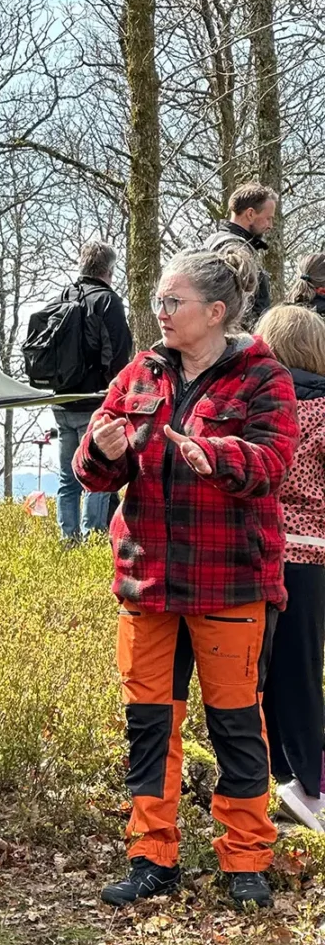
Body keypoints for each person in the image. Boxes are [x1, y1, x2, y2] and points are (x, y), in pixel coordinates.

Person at [73, 246, 298, 909]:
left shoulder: (263, 376)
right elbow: (93, 472)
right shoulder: (139, 373)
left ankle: (246, 861)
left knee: (236, 725)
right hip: (147, 584)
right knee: (148, 725)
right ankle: (151, 857)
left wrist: (215, 454)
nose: (161, 312)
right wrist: (100, 452)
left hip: (231, 583)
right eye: (158, 301)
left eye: (174, 302)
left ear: (217, 311)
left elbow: (274, 461)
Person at [256, 305, 325, 830]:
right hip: (313, 555)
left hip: (260, 553)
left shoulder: (260, 407)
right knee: (304, 668)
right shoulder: (323, 410)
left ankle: (277, 771)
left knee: (264, 669)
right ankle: (311, 782)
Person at [51, 241, 131, 543]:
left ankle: (67, 539)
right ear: (109, 270)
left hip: (61, 399)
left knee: (67, 476)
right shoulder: (107, 301)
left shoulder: (62, 297)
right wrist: (119, 391)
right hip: (96, 399)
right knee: (98, 471)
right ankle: (93, 536)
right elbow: (119, 351)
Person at [203, 182, 278, 327]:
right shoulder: (234, 248)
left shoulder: (215, 242)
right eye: (268, 218)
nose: (270, 225)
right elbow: (238, 310)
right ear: (250, 214)